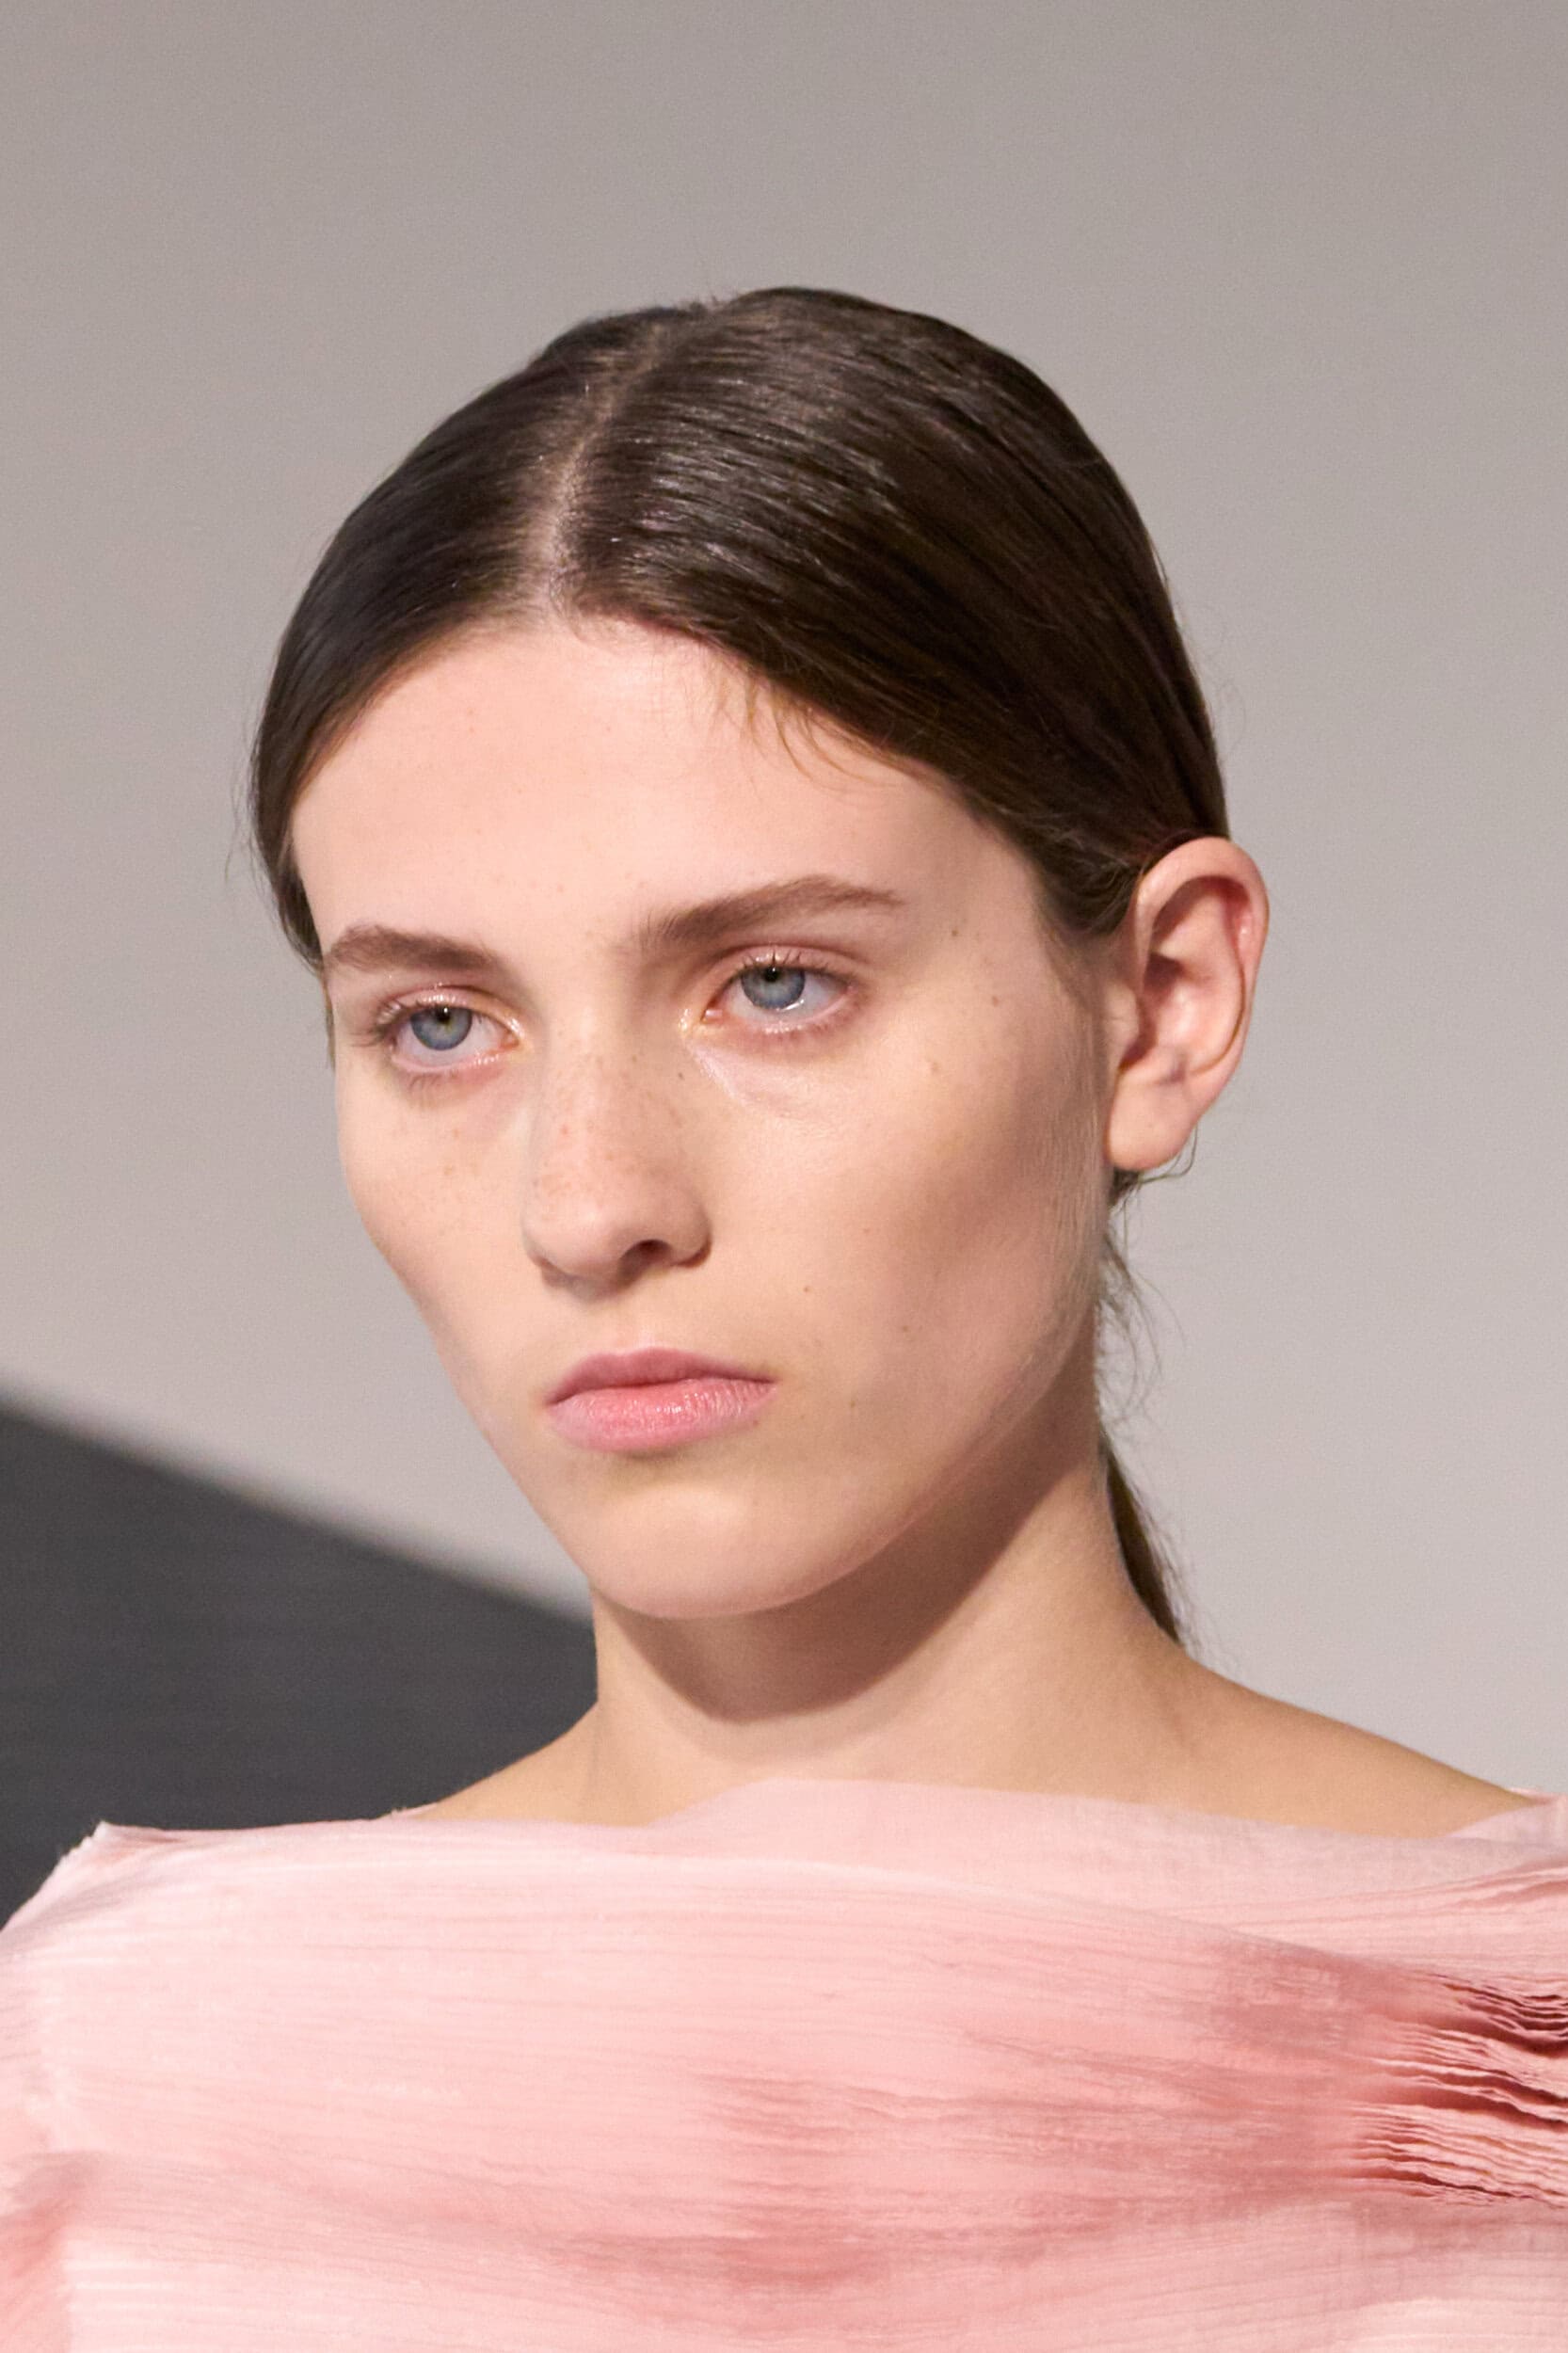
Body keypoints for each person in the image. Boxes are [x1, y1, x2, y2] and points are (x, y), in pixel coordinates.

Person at [2, 287, 1562, 2345]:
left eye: (773, 985)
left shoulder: (1522, 2072)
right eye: (441, 1024)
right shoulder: (119, 2111)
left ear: (1161, 1003)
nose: (587, 1204)